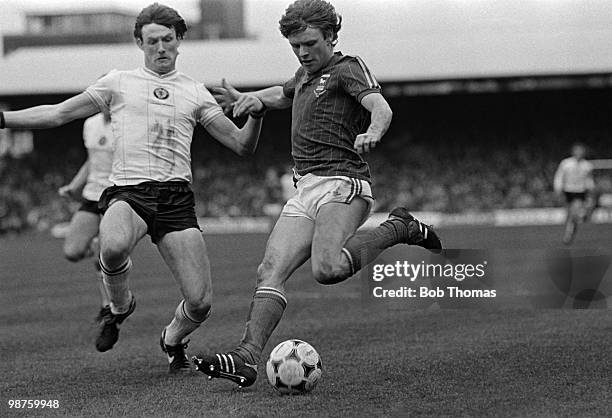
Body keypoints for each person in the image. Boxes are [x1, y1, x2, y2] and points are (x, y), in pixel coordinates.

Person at [0, 3, 266, 373]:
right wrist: (3, 118)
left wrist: (255, 114)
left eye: (168, 40)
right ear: (139, 43)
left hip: (175, 200)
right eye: (152, 40)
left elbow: (241, 145)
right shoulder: (117, 82)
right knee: (111, 245)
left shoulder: (195, 93)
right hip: (129, 191)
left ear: (178, 42)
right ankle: (120, 307)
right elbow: (59, 112)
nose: (161, 48)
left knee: (201, 304)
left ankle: (172, 339)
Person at [192, 0, 442, 388]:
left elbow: (381, 107)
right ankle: (246, 358)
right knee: (268, 271)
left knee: (327, 269)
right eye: (296, 46)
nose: (303, 52)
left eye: (309, 43)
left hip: (343, 183)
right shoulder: (304, 75)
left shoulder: (347, 68)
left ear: (330, 36)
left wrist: (374, 130)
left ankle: (397, 228)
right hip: (305, 188)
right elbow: (282, 93)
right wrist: (250, 98)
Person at [58, 109, 114, 329]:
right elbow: (91, 161)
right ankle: (95, 247)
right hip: (92, 194)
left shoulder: (127, 124)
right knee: (72, 251)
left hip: (117, 196)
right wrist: (74, 186)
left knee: (105, 256)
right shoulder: (90, 124)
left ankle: (108, 306)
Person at [553, 142, 595, 245]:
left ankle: (568, 235)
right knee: (570, 215)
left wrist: (591, 189)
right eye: (577, 150)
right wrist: (558, 189)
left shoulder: (587, 166)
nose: (579, 153)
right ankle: (574, 226)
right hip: (568, 191)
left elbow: (589, 180)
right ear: (573, 152)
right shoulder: (566, 163)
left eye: (581, 151)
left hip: (580, 192)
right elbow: (559, 176)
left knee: (573, 212)